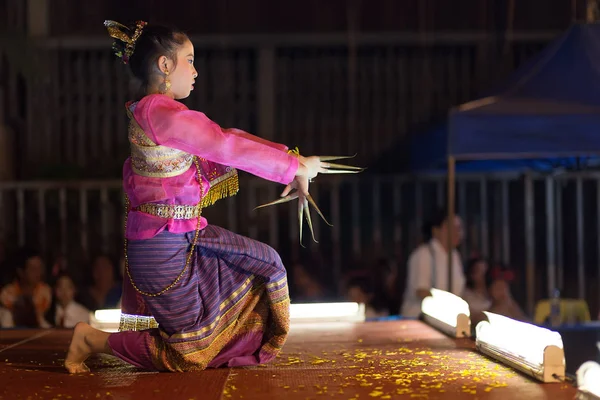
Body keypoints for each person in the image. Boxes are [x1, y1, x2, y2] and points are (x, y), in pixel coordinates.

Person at [65, 20, 345, 373]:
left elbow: (223, 138)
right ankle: (91, 340)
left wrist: (293, 161)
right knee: (189, 351)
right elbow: (221, 144)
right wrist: (293, 165)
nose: (196, 71)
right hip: (163, 247)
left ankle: (102, 340)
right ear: (165, 65)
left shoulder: (159, 112)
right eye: (189, 60)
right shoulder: (158, 111)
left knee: (265, 263)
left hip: (181, 239)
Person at [400, 208, 466, 317]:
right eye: (451, 228)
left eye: (459, 228)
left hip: (447, 319)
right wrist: (449, 305)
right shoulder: (423, 254)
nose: (457, 233)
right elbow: (421, 291)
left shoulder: (454, 255)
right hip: (420, 319)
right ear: (435, 230)